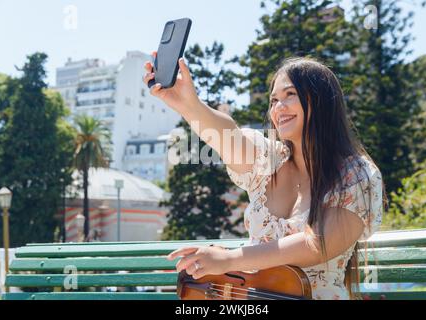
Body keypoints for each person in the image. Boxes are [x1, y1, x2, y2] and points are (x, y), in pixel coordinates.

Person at [144, 52, 386, 300]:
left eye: (289, 95)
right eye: (273, 100)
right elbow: (227, 136)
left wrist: (228, 259)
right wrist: (188, 104)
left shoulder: (356, 174)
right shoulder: (270, 160)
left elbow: (317, 245)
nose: (278, 108)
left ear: (321, 101)